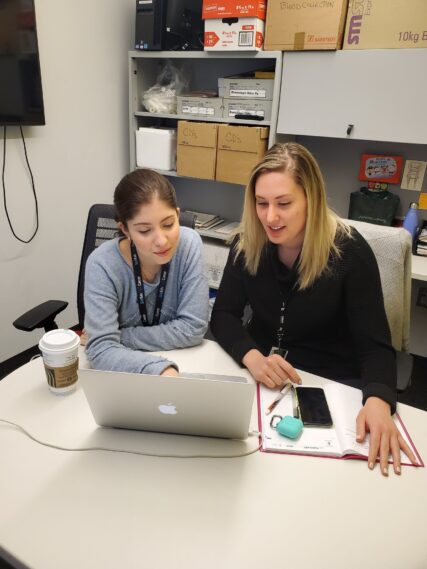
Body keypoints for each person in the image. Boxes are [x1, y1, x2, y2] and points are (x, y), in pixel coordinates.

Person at [210, 142, 417, 475]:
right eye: (261, 203)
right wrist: (252, 357)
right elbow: (223, 316)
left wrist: (378, 402)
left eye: (284, 203)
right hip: (264, 382)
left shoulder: (349, 253)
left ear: (312, 200)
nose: (270, 217)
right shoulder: (248, 242)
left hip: (329, 383)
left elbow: (376, 349)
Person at [84, 168, 209, 377]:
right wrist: (158, 369)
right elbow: (100, 350)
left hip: (185, 362)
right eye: (144, 231)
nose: (161, 240)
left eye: (168, 224)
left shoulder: (189, 244)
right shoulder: (102, 265)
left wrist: (121, 336)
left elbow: (193, 328)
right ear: (125, 230)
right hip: (125, 373)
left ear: (178, 215)